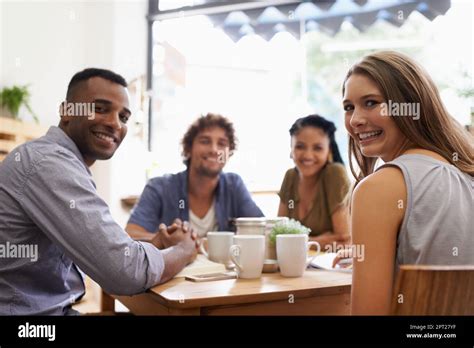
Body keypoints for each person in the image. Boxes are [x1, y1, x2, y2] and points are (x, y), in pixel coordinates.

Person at [0, 68, 197, 315]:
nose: (115, 123)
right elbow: (126, 272)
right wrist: (184, 250)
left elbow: (103, 246)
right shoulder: (49, 164)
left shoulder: (58, 163)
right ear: (67, 111)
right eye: (101, 109)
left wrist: (153, 244)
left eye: (124, 117)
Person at [340, 51, 474, 314]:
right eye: (348, 107)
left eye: (371, 102)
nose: (355, 119)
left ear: (411, 106)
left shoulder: (378, 190)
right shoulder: (466, 174)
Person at [126, 113, 264, 240]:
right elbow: (131, 234)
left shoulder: (234, 185)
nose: (214, 150)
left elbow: (262, 230)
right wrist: (169, 240)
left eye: (221, 143)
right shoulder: (160, 187)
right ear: (188, 148)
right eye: (205, 141)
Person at [277, 115, 351, 250]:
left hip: (329, 266)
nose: (308, 155)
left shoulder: (335, 173)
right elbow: (278, 235)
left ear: (329, 151)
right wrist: (317, 240)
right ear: (291, 149)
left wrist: (296, 241)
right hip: (297, 263)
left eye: (317, 148)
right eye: (300, 146)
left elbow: (344, 239)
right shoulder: (290, 176)